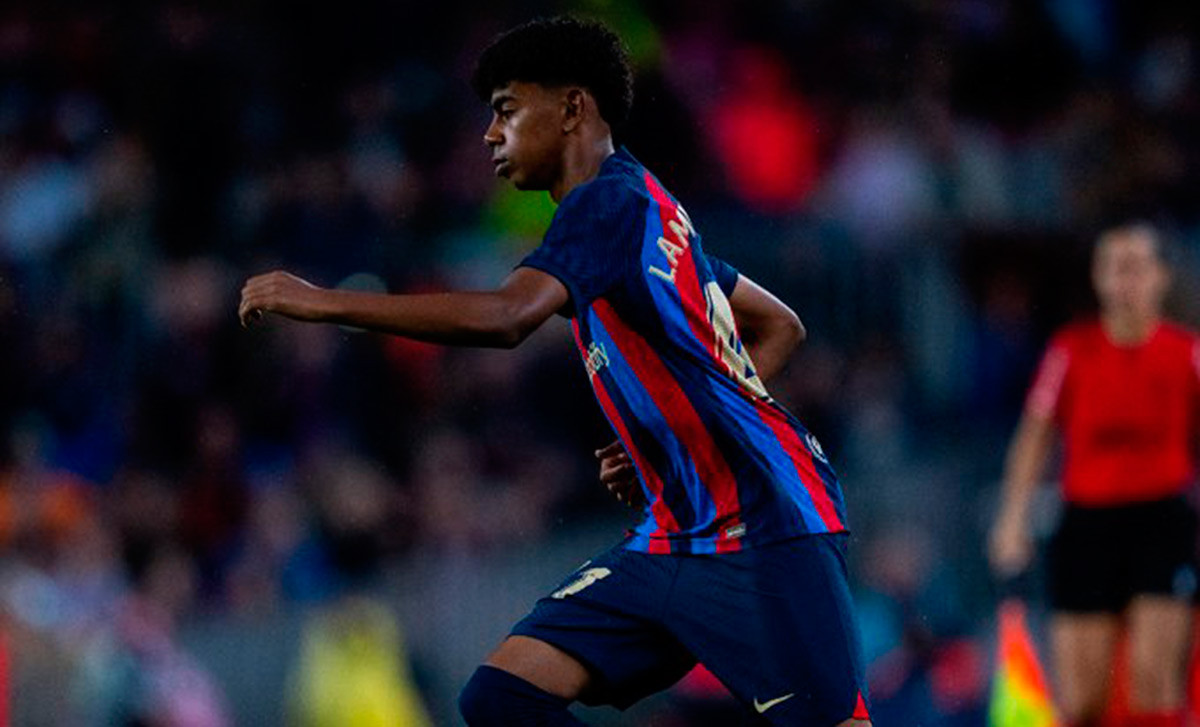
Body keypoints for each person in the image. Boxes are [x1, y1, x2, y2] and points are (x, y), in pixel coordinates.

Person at [239, 17, 871, 726]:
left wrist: (325, 302)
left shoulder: (608, 204)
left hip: (768, 525)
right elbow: (778, 323)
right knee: (504, 694)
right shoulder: (650, 207)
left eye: (507, 108)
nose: (490, 133)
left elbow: (509, 317)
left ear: (572, 108)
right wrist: (679, 439)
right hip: (674, 534)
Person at [989, 223, 1200, 727]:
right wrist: (1012, 518)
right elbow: (1034, 437)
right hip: (1086, 526)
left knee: (1154, 686)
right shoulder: (1070, 351)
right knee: (1083, 703)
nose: (1124, 280)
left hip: (1161, 523)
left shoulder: (1187, 353)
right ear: (1097, 279)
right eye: (1113, 267)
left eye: (1136, 267)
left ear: (1160, 278)